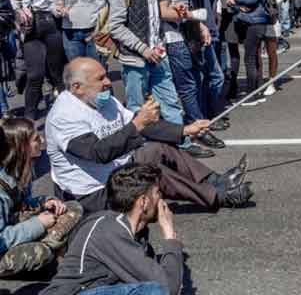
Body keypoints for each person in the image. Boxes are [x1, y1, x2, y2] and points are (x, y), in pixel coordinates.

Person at [45, 57, 253, 214]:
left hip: (115, 170)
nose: (108, 82)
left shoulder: (102, 99)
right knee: (152, 174)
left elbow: (142, 126)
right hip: (93, 193)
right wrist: (137, 124)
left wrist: (185, 130)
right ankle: (218, 196)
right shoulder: (64, 115)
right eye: (101, 78)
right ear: (76, 87)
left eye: (106, 75)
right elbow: (98, 153)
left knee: (157, 149)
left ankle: (217, 180)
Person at [109, 0, 220, 154]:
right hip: (135, 60)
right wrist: (144, 49)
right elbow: (116, 26)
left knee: (170, 102)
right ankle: (135, 153)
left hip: (158, 56)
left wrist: (179, 17)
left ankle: (184, 144)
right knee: (137, 108)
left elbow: (155, 20)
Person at [41, 164, 182, 295]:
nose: (161, 199)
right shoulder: (110, 229)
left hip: (94, 290)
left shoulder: (133, 232)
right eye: (157, 193)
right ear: (143, 202)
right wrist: (170, 236)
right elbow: (168, 286)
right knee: (154, 291)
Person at [154, 0, 215, 159]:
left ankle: (195, 128)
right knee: (185, 87)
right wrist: (189, 16)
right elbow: (162, 11)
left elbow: (182, 8)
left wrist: (199, 26)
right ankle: (195, 130)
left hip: (183, 35)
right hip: (171, 38)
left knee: (189, 84)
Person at [0, 119, 82, 278]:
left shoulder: (19, 170)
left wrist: (44, 201)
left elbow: (20, 204)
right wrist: (38, 224)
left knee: (72, 207)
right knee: (40, 253)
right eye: (36, 139)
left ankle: (52, 245)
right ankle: (52, 249)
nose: (42, 140)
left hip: (13, 222)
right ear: (22, 146)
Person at [9, 0, 67, 121]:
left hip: (53, 24)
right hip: (31, 28)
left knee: (58, 73)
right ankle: (29, 122)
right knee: (35, 75)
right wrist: (20, 13)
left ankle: (69, 115)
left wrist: (61, 7)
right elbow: (13, 2)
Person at [184, 0, 228, 134]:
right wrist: (202, 28)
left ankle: (206, 116)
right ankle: (205, 118)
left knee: (209, 77)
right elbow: (192, 9)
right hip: (200, 34)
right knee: (211, 77)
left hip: (210, 31)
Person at [228, 0, 272, 105]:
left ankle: (252, 95)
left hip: (255, 20)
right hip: (248, 18)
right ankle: (255, 90)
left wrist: (235, 0)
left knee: (250, 59)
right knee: (251, 57)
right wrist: (238, 4)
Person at [265, 0, 294, 97]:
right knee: (255, 52)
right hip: (257, 17)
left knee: (272, 52)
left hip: (272, 18)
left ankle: (271, 82)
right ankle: (258, 80)